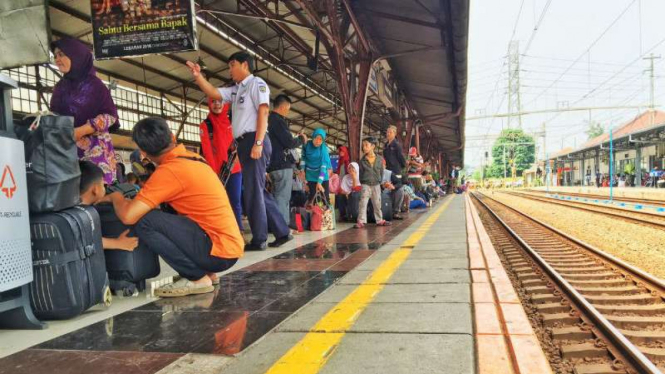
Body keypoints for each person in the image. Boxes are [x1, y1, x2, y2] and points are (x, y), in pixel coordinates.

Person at [100, 117, 244, 297]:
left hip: (218, 252)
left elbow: (128, 216)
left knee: (145, 220)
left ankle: (197, 277)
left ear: (143, 153)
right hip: (227, 247)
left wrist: (116, 197)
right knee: (165, 212)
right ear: (172, 137)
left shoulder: (169, 171)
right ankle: (208, 272)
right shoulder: (193, 158)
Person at [186, 52, 292, 251]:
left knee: (252, 191)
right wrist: (198, 76)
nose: (230, 70)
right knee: (257, 189)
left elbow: (263, 111)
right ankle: (282, 231)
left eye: (232, 65)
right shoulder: (236, 90)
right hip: (244, 143)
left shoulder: (256, 84)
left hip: (255, 139)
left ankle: (259, 239)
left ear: (245, 65)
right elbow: (214, 93)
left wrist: (259, 142)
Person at [50, 37, 119, 185]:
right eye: (55, 56)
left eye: (62, 54)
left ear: (76, 55)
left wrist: (81, 131)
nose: (57, 59)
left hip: (94, 152)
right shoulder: (60, 87)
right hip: (67, 151)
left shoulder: (95, 85)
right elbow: (54, 115)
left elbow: (110, 116)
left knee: (95, 195)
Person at [199, 99, 243, 231]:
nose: (217, 104)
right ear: (209, 104)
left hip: (235, 169)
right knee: (219, 202)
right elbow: (207, 151)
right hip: (217, 172)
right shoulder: (205, 125)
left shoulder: (233, 122)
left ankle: (238, 231)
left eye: (220, 101)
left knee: (235, 202)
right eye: (213, 102)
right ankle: (221, 231)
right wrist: (215, 173)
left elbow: (241, 143)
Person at [79, 161, 138, 252]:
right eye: (103, 185)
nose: (105, 188)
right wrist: (117, 243)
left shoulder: (73, 208)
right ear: (95, 189)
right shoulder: (84, 215)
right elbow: (82, 241)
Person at [267, 94, 307, 223]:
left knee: (276, 196)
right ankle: (282, 227)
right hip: (281, 165)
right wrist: (301, 139)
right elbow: (289, 142)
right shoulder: (278, 121)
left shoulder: (268, 120)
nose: (288, 111)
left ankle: (275, 225)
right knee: (282, 198)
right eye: (288, 108)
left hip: (272, 165)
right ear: (283, 106)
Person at [356, 137, 391, 228]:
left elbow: (381, 172)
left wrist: (379, 181)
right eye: (363, 145)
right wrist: (363, 181)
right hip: (365, 184)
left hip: (376, 184)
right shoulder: (362, 161)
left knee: (377, 203)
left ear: (373, 146)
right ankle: (361, 221)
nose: (364, 147)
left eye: (366, 145)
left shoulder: (379, 159)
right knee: (363, 203)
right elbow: (360, 173)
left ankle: (379, 220)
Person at [301, 128, 332, 203]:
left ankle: (327, 214)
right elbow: (303, 158)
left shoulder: (323, 150)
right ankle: (315, 214)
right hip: (310, 176)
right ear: (313, 137)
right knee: (313, 198)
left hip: (322, 176)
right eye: (316, 138)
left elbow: (324, 167)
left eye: (321, 139)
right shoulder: (306, 145)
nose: (318, 141)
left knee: (325, 199)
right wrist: (302, 170)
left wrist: (319, 182)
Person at [383, 125, 407, 220]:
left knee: (398, 188)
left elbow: (401, 158)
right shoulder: (385, 145)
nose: (388, 134)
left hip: (396, 170)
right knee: (389, 188)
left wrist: (400, 167)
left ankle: (396, 211)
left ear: (395, 134)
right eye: (387, 132)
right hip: (388, 171)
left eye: (390, 132)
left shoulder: (397, 145)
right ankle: (389, 210)